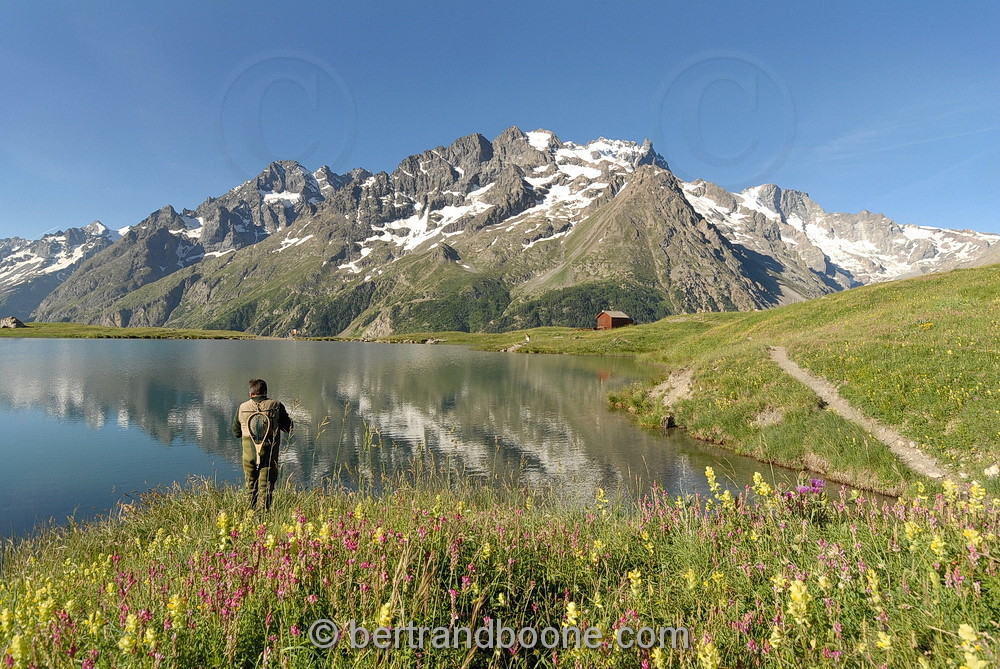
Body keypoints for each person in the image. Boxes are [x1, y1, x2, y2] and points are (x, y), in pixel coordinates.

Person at [231, 378, 292, 511]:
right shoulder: (276, 405)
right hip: (268, 454)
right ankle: (264, 517)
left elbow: (236, 432)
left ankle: (249, 514)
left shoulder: (242, 407)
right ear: (265, 392)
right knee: (266, 487)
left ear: (250, 393)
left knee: (250, 486)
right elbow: (289, 428)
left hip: (248, 455)